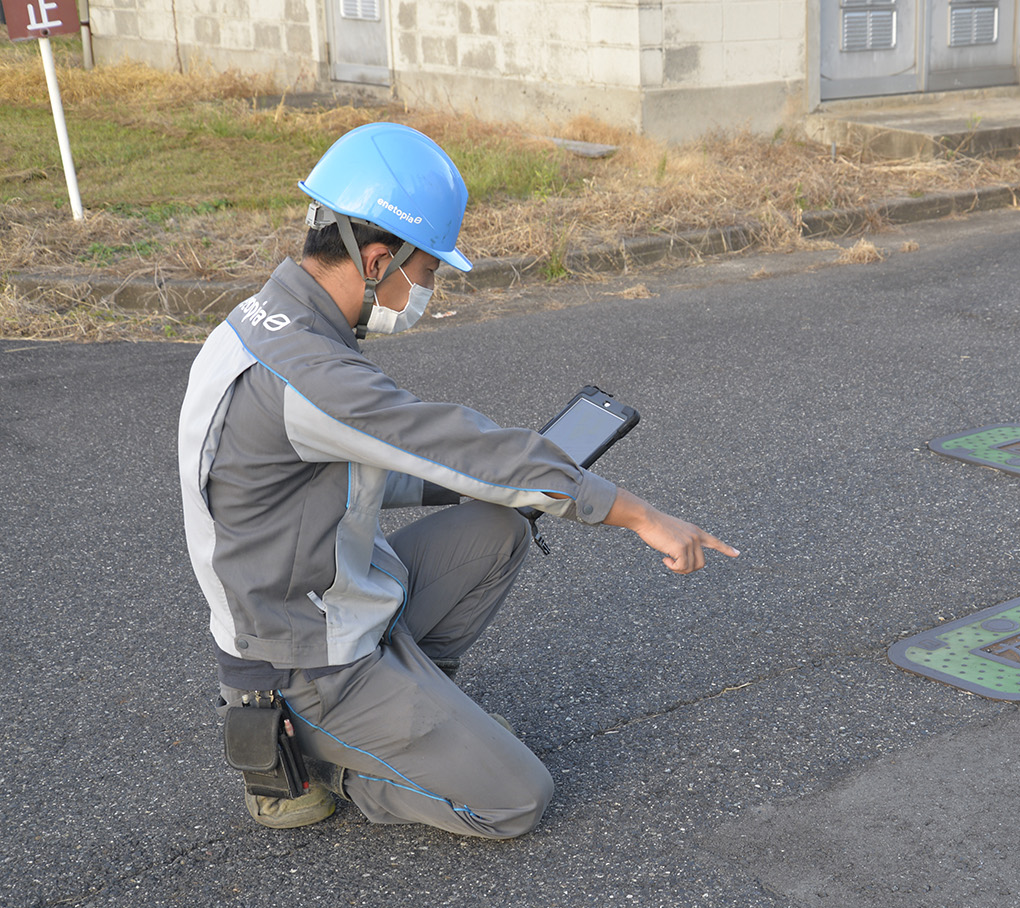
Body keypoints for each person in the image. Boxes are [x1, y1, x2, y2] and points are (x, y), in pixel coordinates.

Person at [178, 122, 737, 837]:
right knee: (516, 798)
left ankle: (418, 711)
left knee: (499, 524)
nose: (429, 287)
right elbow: (453, 442)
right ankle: (338, 762)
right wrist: (640, 515)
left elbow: (352, 470)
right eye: (430, 270)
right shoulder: (310, 374)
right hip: (308, 661)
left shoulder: (268, 322)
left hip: (336, 600)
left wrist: (488, 481)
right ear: (377, 259)